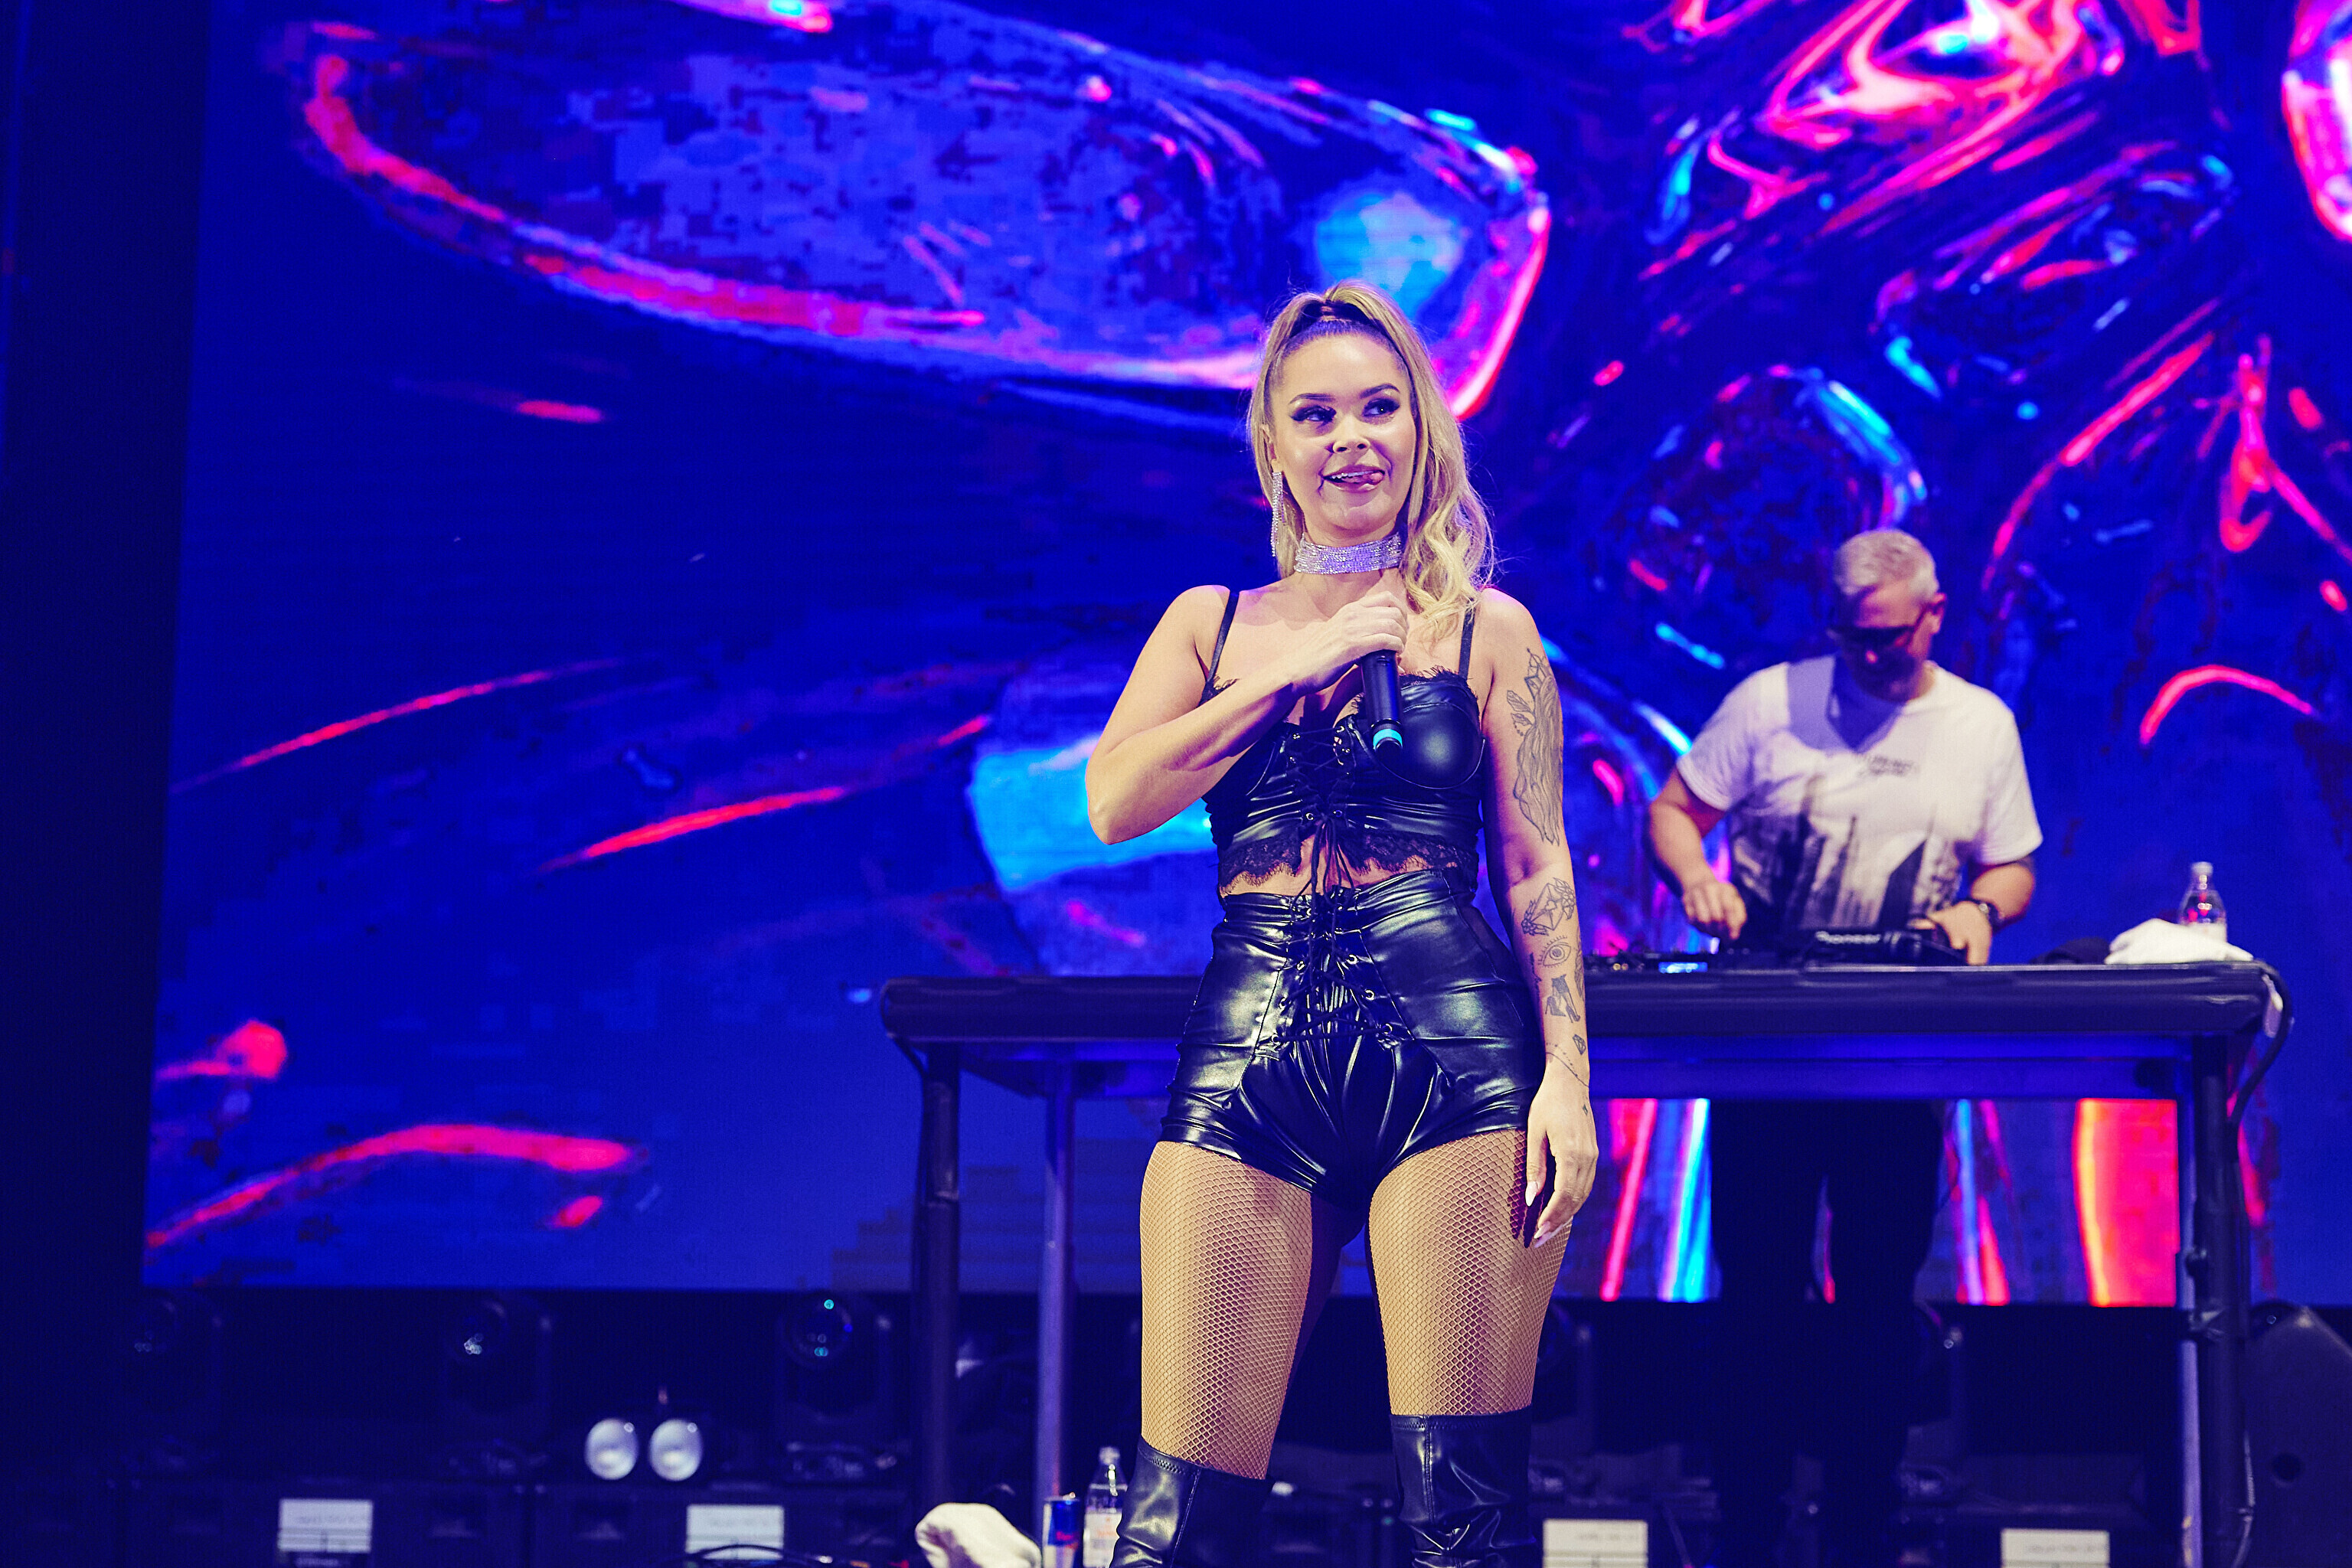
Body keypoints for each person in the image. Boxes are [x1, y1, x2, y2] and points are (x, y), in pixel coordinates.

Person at [1084, 283, 1598, 1568]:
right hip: (1249, 1055)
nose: (1351, 439)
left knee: (1460, 1524)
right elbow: (1115, 800)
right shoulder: (1211, 625)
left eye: (1379, 408)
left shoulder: (1488, 631)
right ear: (1274, 441)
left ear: (1422, 430)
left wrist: (1571, 1080)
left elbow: (1535, 863)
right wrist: (1288, 673)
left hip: (1451, 1057)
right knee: (1172, 1530)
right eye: (1316, 415)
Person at [1645, 529, 2041, 1568]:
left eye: (1889, 641)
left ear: (1934, 617)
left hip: (1896, 1050)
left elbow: (2012, 866)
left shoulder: (1979, 725)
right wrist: (1697, 878)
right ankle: (1748, 1530)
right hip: (1767, 1045)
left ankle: (1862, 1530)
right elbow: (1676, 812)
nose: (1869, 658)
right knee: (1756, 1299)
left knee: (1875, 1302)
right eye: (1852, 638)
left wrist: (1981, 912)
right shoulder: (1767, 703)